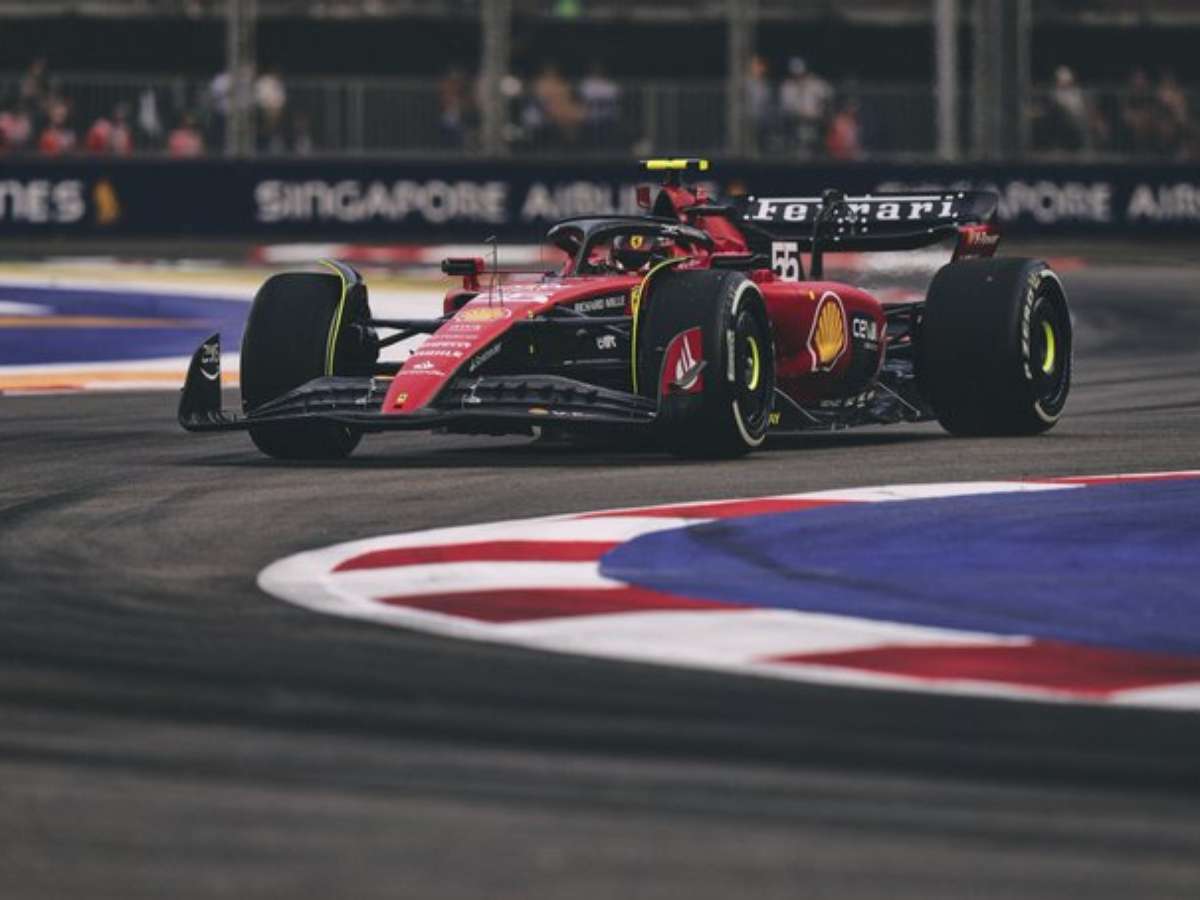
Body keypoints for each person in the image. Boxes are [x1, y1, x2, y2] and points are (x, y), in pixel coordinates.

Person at [779, 56, 832, 156]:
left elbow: (828, 96)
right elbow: (787, 107)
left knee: (815, 146)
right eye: (796, 74)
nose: (798, 77)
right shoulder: (787, 86)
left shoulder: (815, 83)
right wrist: (800, 114)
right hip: (796, 123)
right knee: (801, 148)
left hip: (815, 122)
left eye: (801, 74)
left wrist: (822, 110)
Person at [578, 60, 621, 148]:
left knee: (609, 126)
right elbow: (585, 99)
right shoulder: (586, 83)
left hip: (608, 116)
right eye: (595, 69)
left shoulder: (609, 83)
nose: (597, 71)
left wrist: (601, 102)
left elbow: (614, 98)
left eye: (599, 69)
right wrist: (598, 102)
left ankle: (610, 149)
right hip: (591, 116)